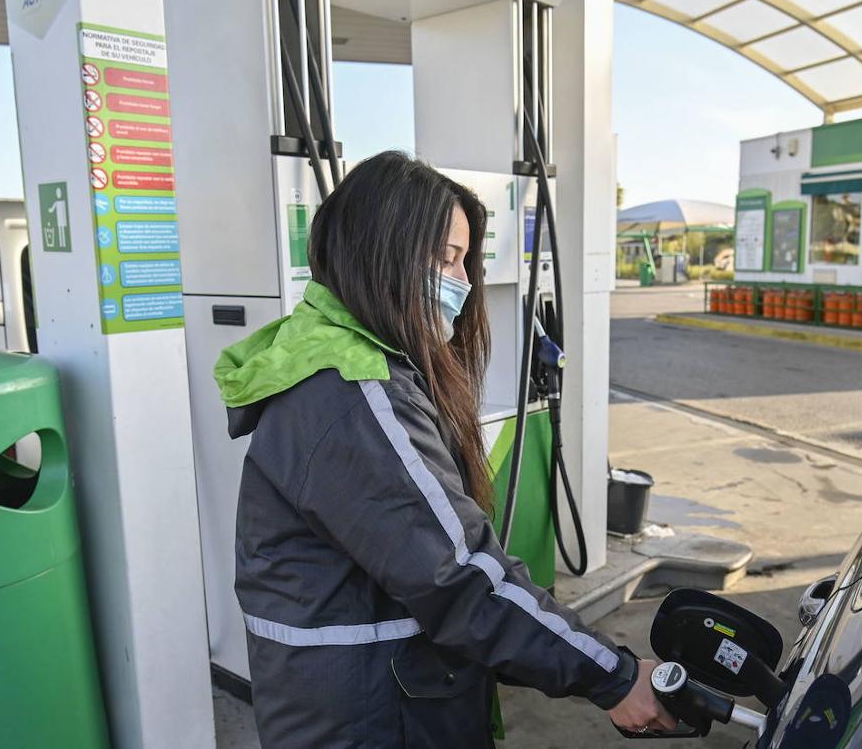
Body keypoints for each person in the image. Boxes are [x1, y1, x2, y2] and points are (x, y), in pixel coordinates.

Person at [214, 151, 676, 748]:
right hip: (370, 721)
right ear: (382, 250)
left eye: (464, 261)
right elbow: (457, 575)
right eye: (446, 258)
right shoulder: (353, 393)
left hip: (362, 701)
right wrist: (612, 676)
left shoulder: (339, 363)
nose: (460, 281)